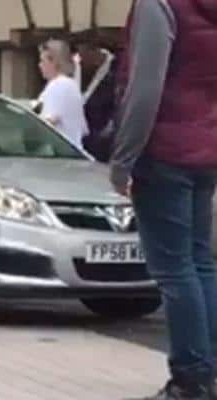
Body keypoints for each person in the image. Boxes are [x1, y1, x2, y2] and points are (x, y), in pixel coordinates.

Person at [110, 1, 217, 399]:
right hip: (204, 150)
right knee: (201, 263)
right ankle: (207, 371)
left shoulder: (159, 6)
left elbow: (145, 86)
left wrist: (123, 161)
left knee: (175, 271)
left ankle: (191, 378)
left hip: (164, 152)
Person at [37, 39, 89, 149]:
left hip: (60, 153)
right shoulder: (71, 85)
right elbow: (83, 129)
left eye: (43, 61)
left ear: (55, 62)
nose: (40, 65)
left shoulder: (58, 85)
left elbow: (48, 122)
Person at [73, 38, 118, 162]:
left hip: (101, 140)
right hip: (76, 139)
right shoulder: (74, 66)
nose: (82, 59)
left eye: (85, 54)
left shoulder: (115, 69)